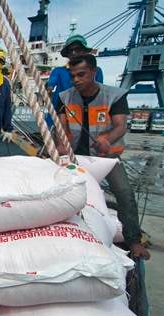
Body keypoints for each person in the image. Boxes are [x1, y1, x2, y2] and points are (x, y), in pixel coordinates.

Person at [55, 54, 150, 261]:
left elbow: (120, 126)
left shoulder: (114, 96)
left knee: (124, 193)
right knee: (62, 194)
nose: (76, 80)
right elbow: (60, 127)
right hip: (75, 158)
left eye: (81, 75)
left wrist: (107, 139)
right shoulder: (64, 97)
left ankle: (134, 241)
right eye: (73, 76)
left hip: (105, 160)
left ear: (94, 73)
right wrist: (60, 144)